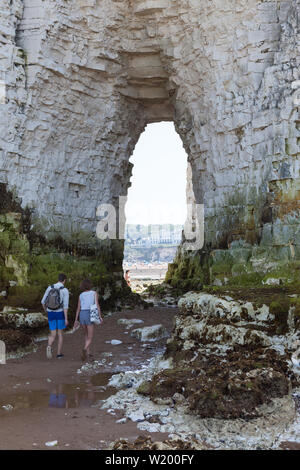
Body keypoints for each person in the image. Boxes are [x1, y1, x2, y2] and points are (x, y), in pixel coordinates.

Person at [73, 279, 103, 362]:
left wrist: (76, 319)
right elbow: (97, 305)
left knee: (86, 334)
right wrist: (100, 316)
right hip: (90, 313)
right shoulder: (94, 293)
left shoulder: (81, 295)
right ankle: (85, 349)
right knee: (90, 337)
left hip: (82, 314)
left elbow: (78, 308)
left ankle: (88, 353)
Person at [41, 273, 69, 359]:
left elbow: (42, 302)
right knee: (60, 334)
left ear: (58, 279)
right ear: (64, 280)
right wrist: (66, 319)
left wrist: (46, 310)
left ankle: (49, 346)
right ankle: (59, 354)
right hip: (60, 313)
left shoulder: (50, 287)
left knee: (53, 334)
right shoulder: (65, 290)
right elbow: (65, 306)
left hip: (50, 313)